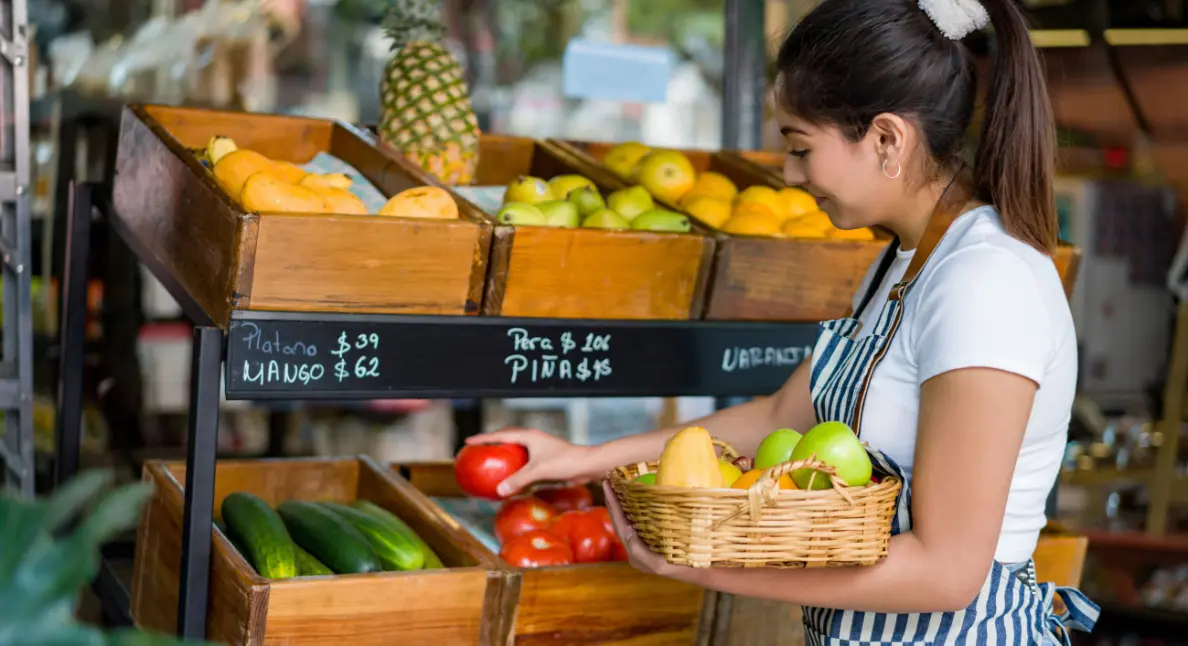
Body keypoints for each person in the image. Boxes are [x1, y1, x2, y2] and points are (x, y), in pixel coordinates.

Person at [473, 0, 1100, 642]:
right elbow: (778, 420)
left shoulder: (983, 283)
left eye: (801, 147)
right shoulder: (904, 260)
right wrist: (587, 459)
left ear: (888, 139)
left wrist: (704, 566)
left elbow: (946, 573)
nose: (790, 173)